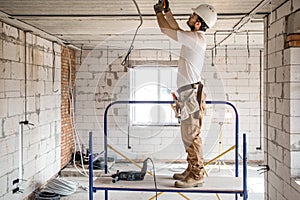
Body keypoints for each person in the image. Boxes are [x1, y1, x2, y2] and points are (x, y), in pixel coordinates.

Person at [153, 1, 217, 188]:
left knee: (191, 135)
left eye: (193, 16)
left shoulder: (196, 39)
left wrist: (158, 13)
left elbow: (166, 30)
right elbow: (175, 28)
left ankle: (197, 174)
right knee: (187, 134)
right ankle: (191, 169)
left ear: (198, 23)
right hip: (187, 93)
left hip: (190, 93)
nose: (189, 18)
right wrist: (167, 11)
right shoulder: (193, 37)